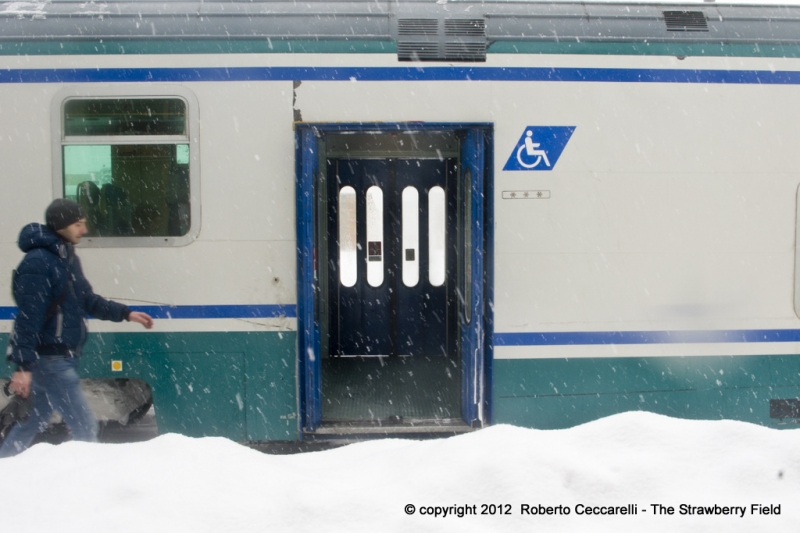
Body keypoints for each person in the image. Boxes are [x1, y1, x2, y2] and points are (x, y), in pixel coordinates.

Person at [0, 199, 153, 458]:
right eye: (78, 224)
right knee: (84, 424)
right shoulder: (38, 263)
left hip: (60, 357)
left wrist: (126, 313)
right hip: (50, 360)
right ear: (61, 225)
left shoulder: (66, 258)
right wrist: (23, 367)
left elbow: (87, 300)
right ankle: (88, 477)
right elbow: (28, 318)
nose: (84, 230)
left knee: (32, 421)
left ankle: (6, 465)